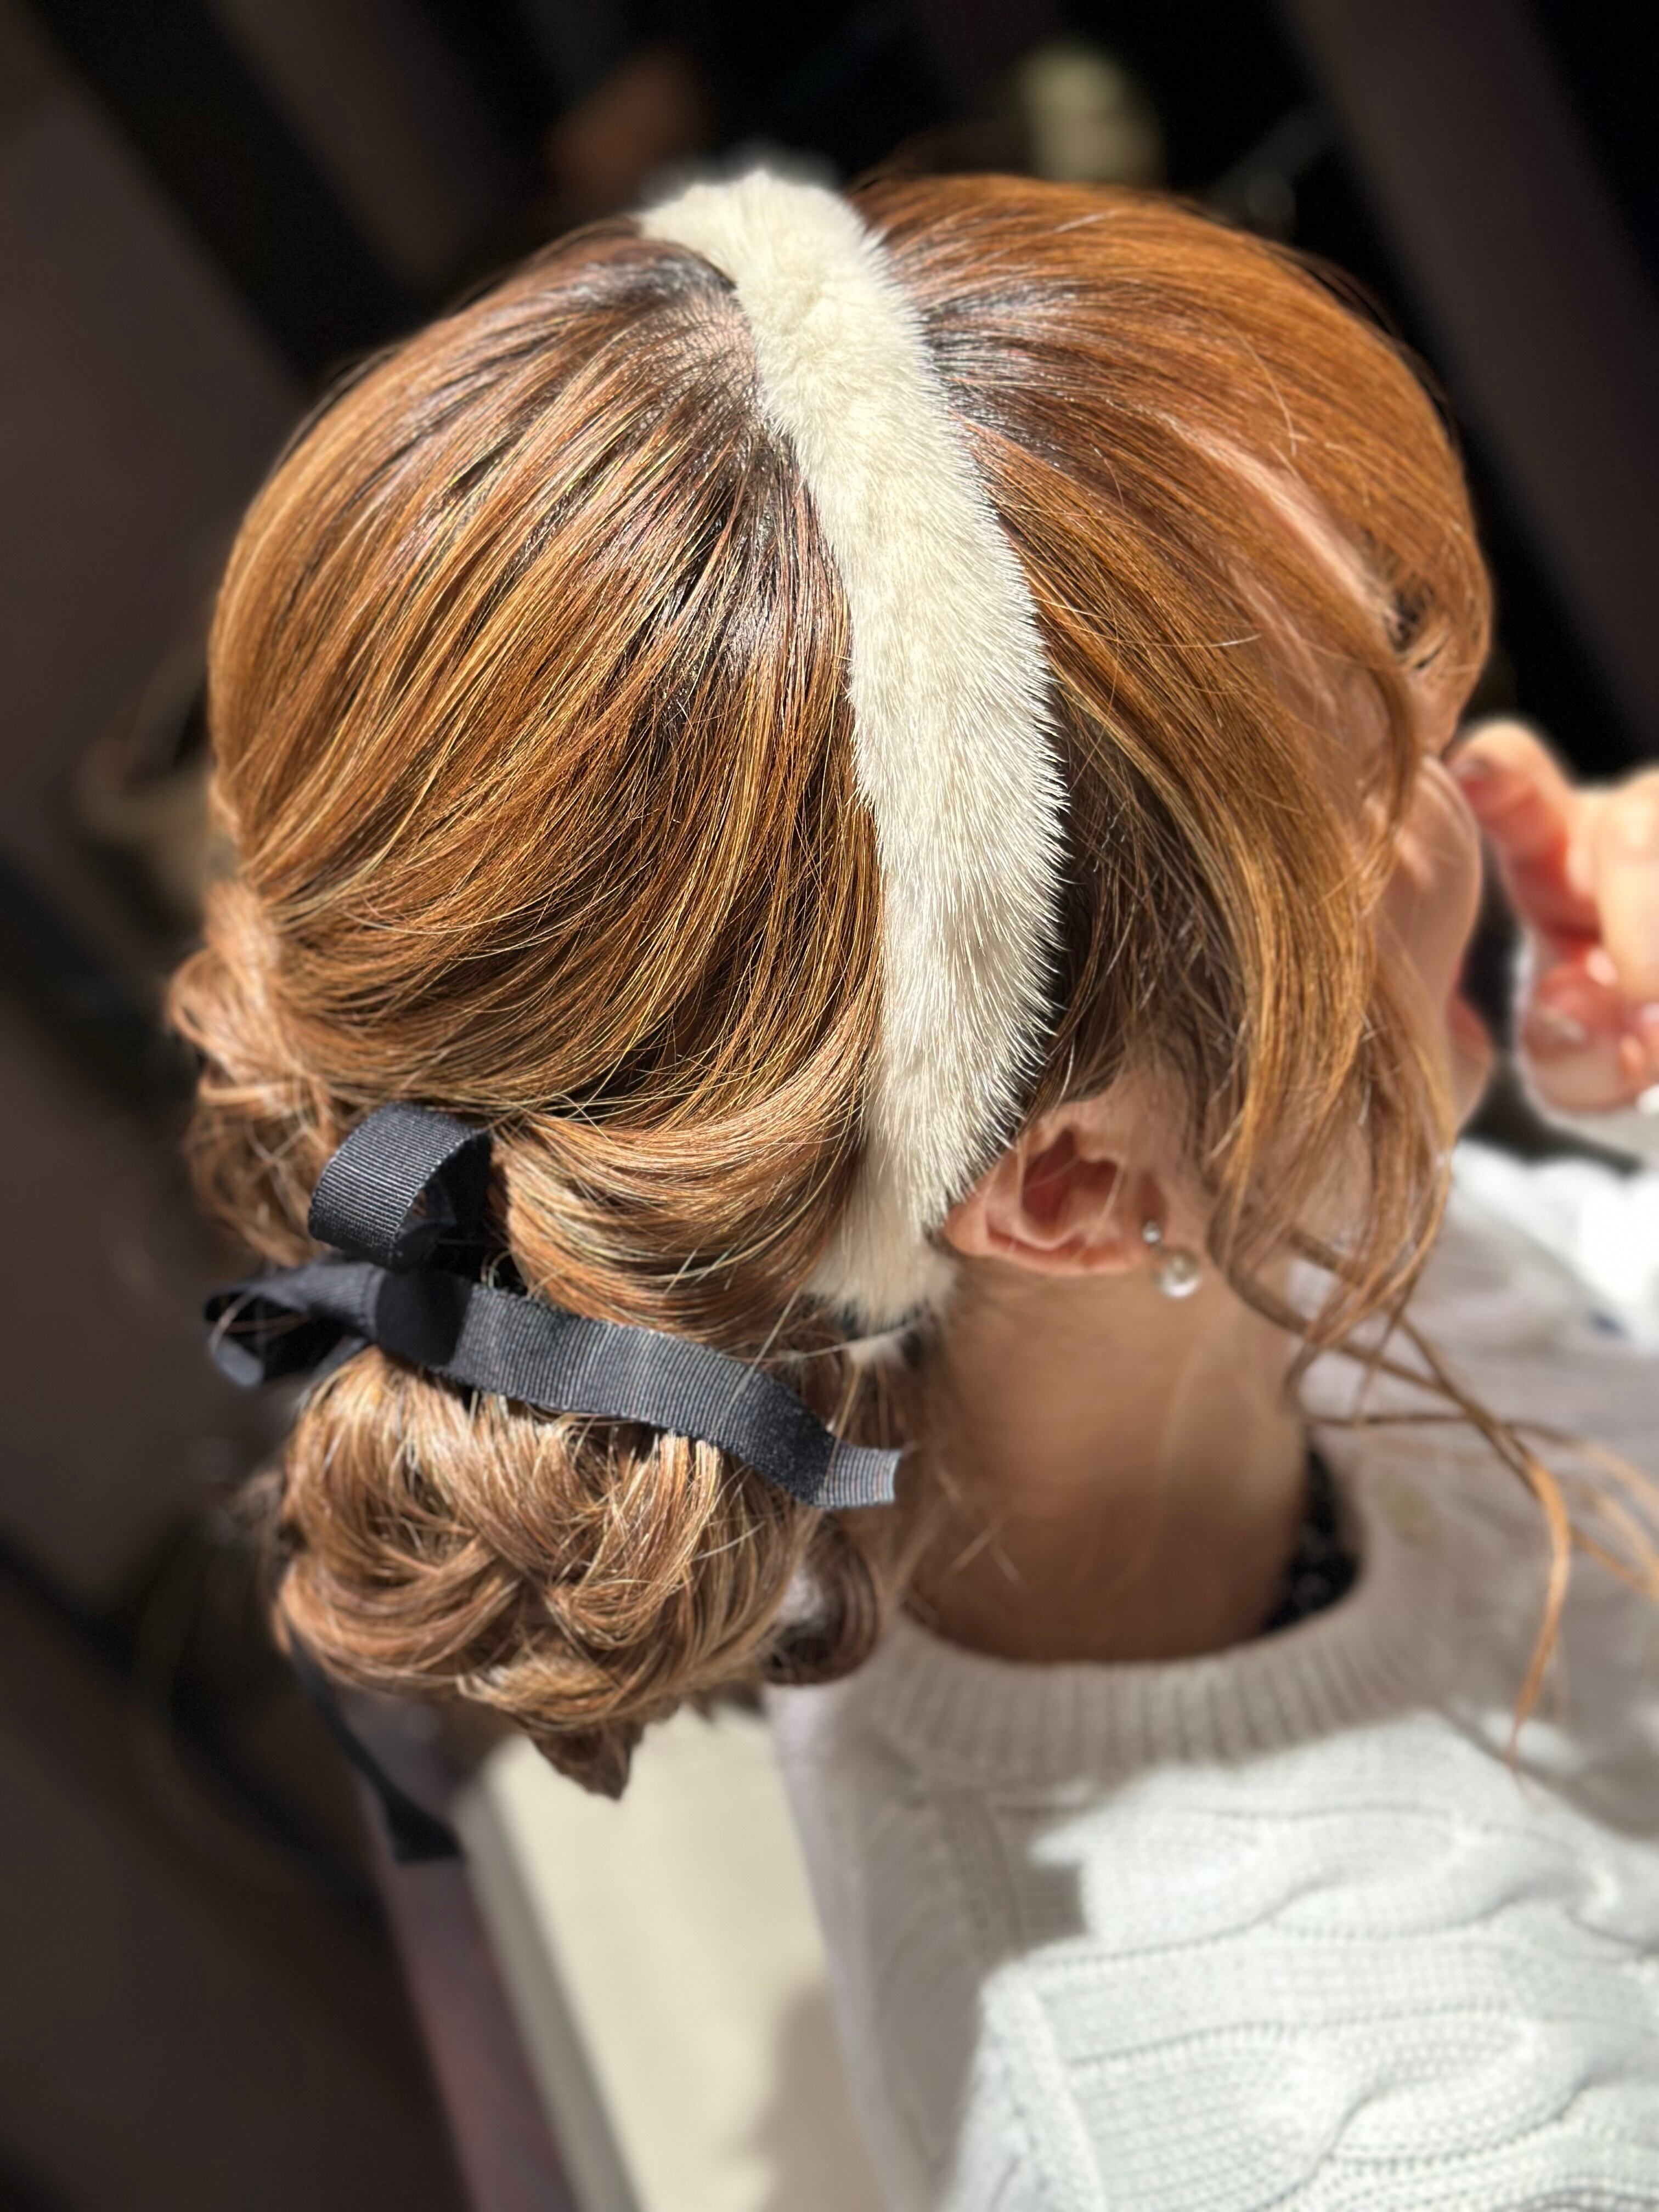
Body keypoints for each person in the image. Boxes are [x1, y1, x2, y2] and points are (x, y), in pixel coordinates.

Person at [172, 170, 1659, 2205]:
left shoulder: (1225, 1276)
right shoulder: (1416, 2141)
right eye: (1379, 762)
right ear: (1073, 1188)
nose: (1477, 775)